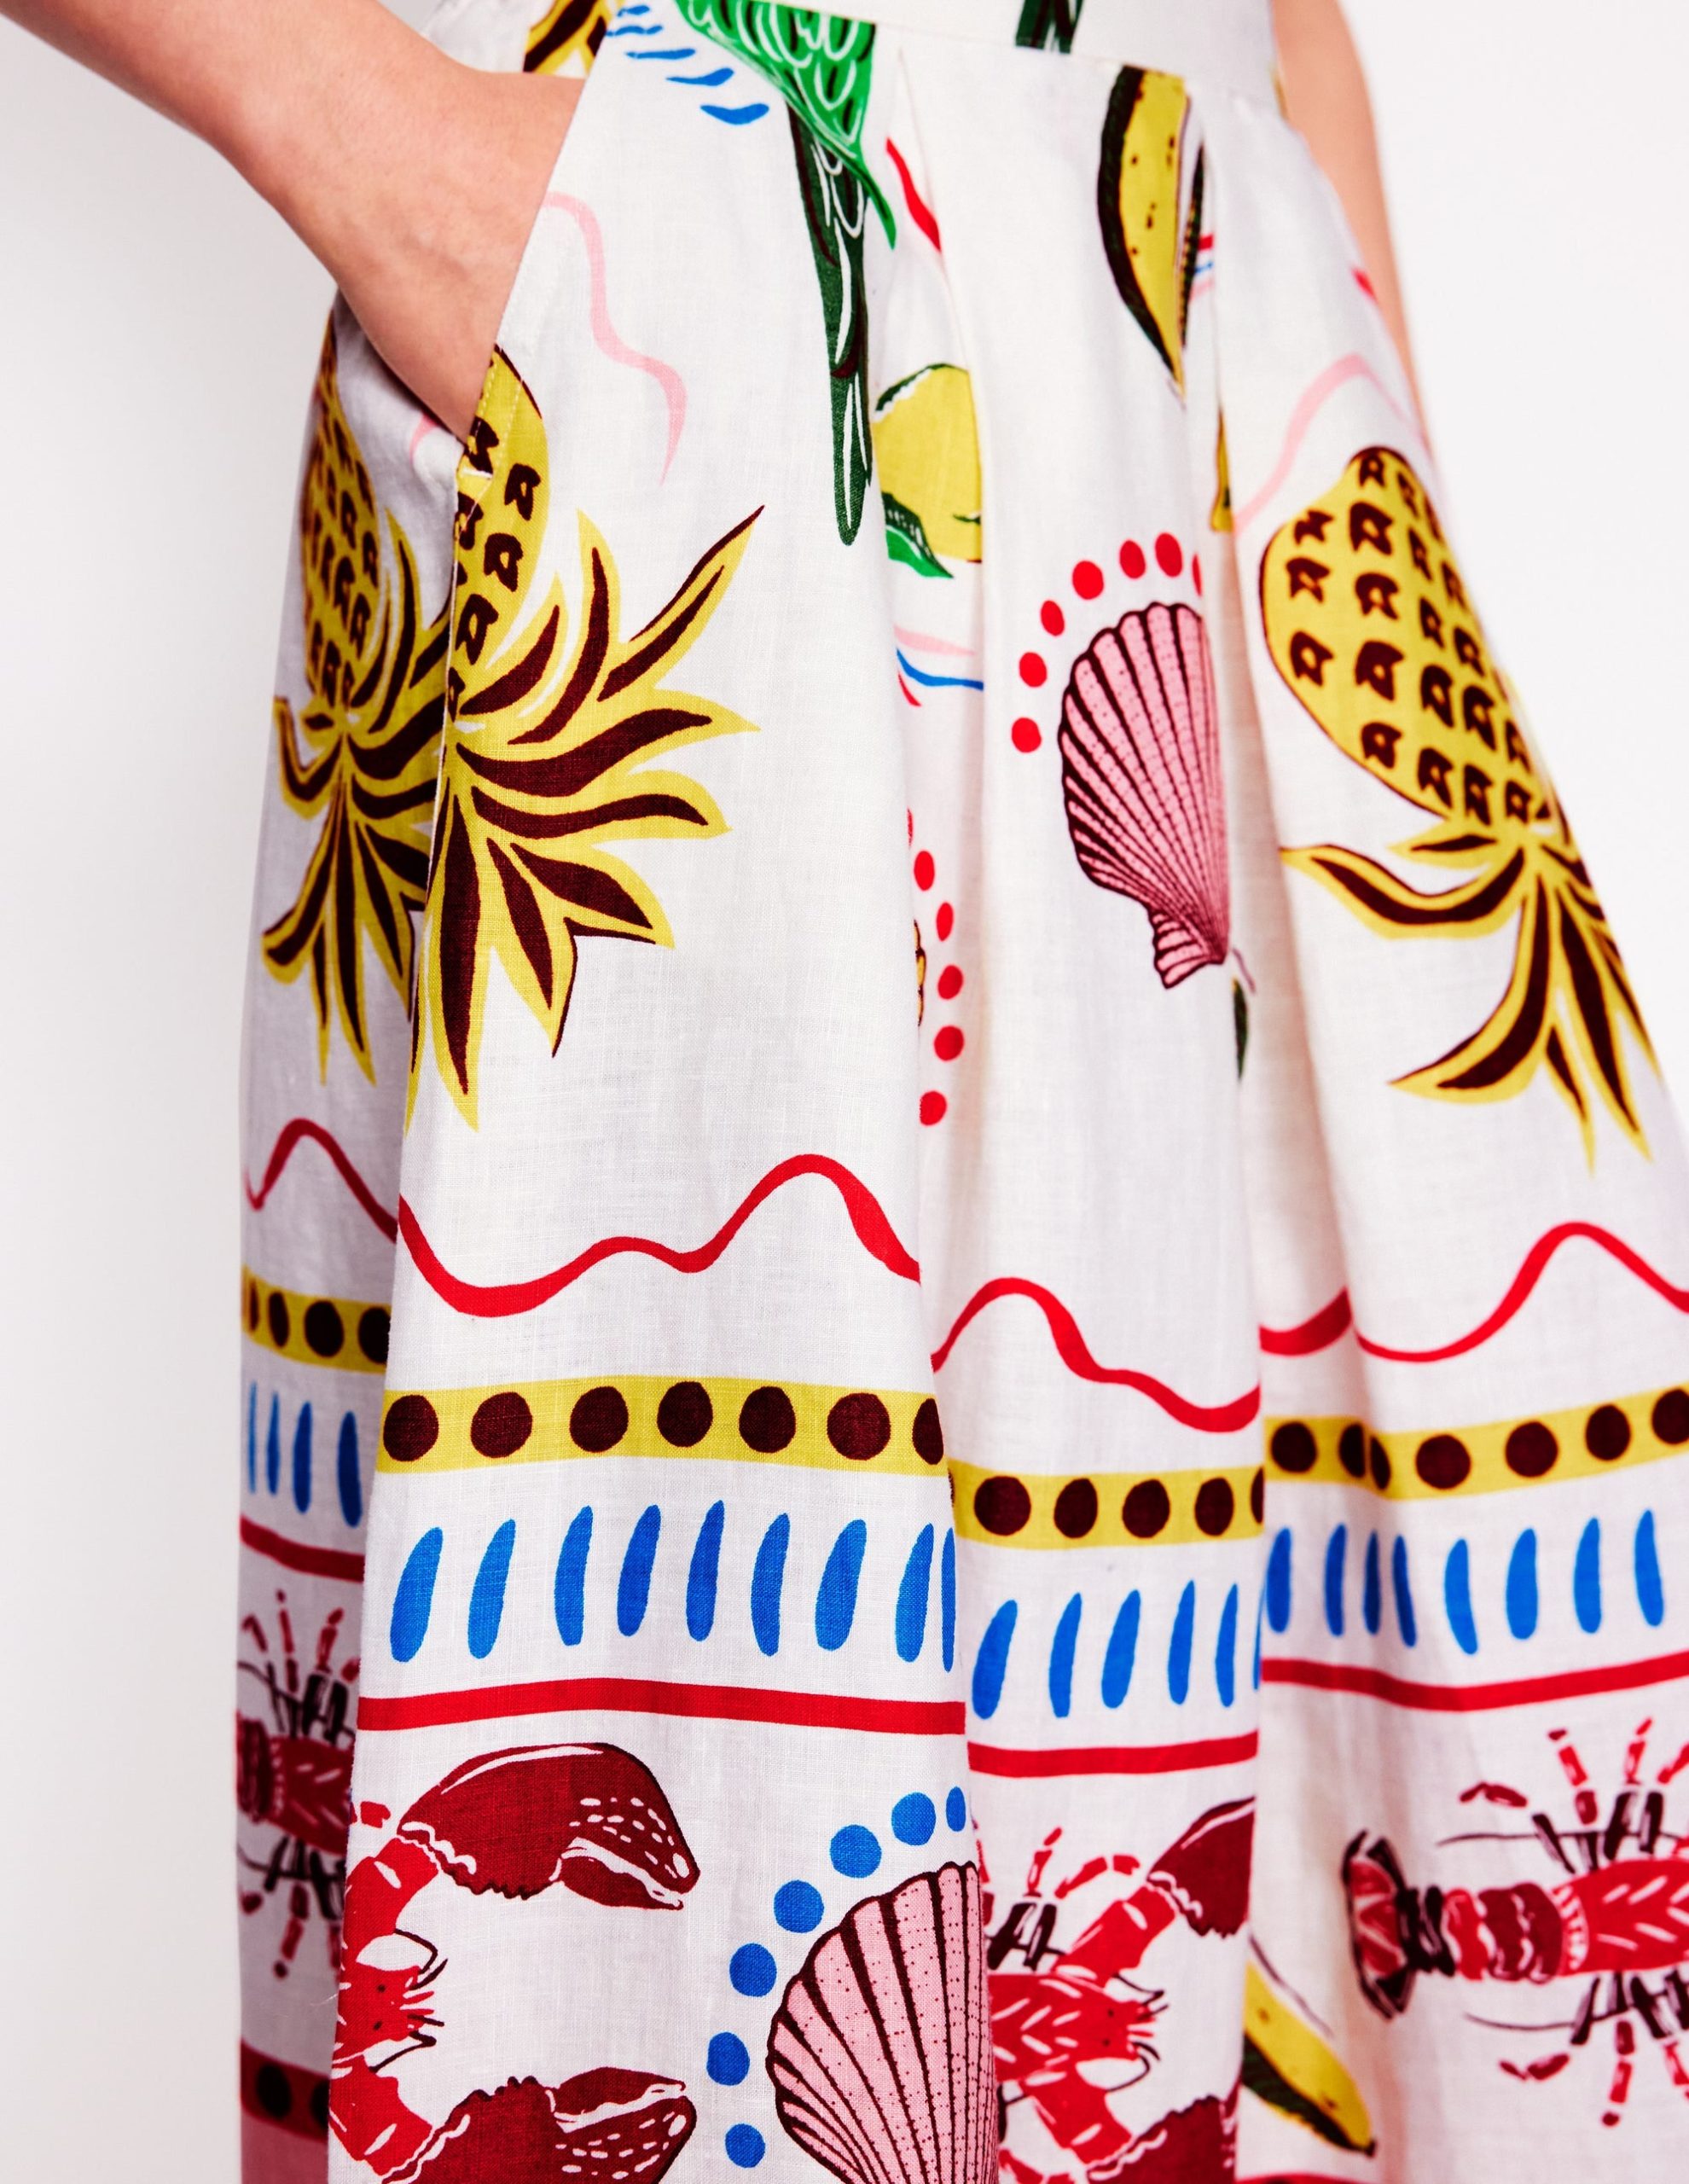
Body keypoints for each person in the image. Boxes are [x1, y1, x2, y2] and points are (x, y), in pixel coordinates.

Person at [10, 0, 1689, 2178]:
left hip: (1235, 368)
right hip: (719, 321)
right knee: (722, 1752)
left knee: (1345, 1801)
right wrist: (385, 150)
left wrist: (1341, 339)